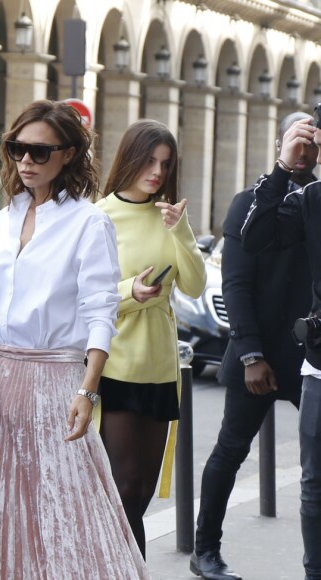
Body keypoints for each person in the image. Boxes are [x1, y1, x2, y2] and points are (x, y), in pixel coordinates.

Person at [0, 100, 149, 579]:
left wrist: (88, 388)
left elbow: (101, 310)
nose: (26, 161)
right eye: (17, 149)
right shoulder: (6, 217)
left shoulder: (88, 222)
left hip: (55, 384)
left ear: (70, 154)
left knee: (68, 522)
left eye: (39, 151)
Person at [190, 112, 317, 580]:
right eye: (295, 139)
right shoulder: (250, 202)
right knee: (229, 450)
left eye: (312, 140)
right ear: (280, 143)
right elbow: (236, 285)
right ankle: (205, 550)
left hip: (312, 357)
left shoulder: (317, 201)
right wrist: (250, 354)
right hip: (259, 354)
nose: (304, 150)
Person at [96, 119, 207, 559]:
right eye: (149, 160)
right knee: (121, 490)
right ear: (129, 158)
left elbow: (195, 286)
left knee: (140, 491)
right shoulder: (100, 215)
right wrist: (130, 293)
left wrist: (180, 230)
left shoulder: (170, 216)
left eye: (165, 163)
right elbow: (83, 297)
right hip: (116, 364)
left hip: (160, 369)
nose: (157, 171)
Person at [242, 114, 321, 580]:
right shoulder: (311, 198)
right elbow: (256, 237)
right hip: (320, 368)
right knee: (313, 488)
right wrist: (281, 169)